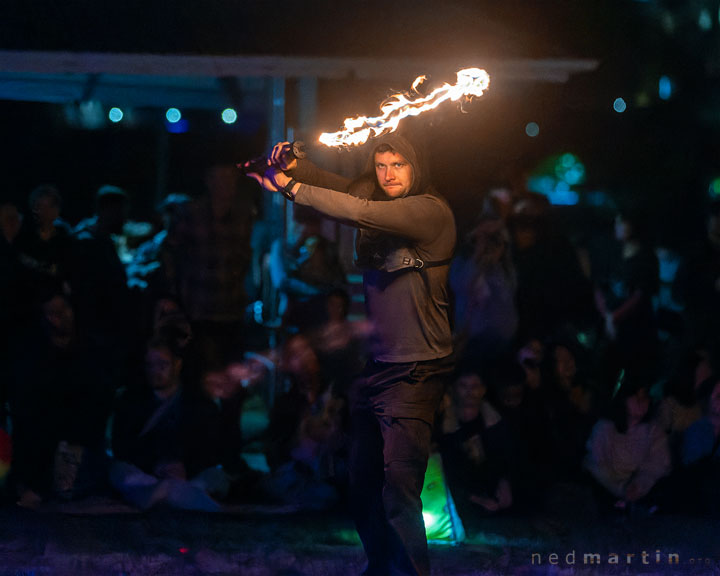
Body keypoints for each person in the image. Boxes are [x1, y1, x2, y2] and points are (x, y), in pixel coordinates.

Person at [246, 132, 456, 576]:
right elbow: (340, 187)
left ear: (417, 167)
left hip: (416, 370)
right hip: (379, 368)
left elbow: (357, 208)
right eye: (381, 165)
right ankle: (382, 569)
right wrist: (293, 166)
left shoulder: (430, 212)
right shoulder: (374, 197)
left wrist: (289, 187)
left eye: (398, 164)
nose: (388, 174)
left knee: (399, 488)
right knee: (362, 483)